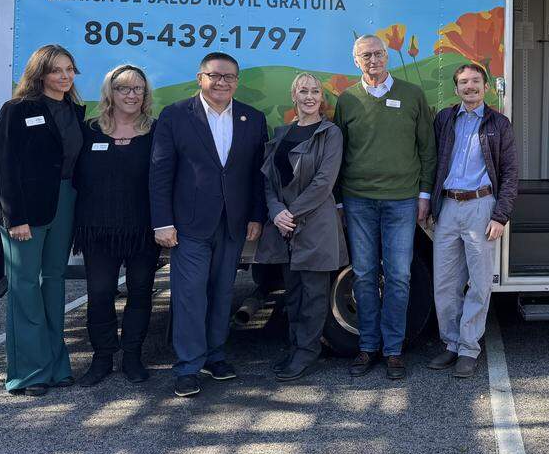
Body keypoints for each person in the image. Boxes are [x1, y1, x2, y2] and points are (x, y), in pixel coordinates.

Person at [150, 52, 267, 398]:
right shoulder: (174, 116)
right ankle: (187, 366)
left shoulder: (252, 118)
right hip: (187, 226)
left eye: (229, 77)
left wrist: (256, 216)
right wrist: (162, 222)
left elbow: (257, 175)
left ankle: (215, 356)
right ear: (200, 78)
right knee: (189, 295)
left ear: (237, 81)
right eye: (215, 75)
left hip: (232, 224)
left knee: (221, 294)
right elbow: (159, 172)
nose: (222, 82)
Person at [333, 34, 436, 380]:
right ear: (356, 61)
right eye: (366, 56)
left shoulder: (412, 95)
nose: (373, 60)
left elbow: (427, 149)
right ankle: (367, 347)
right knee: (363, 275)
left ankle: (393, 350)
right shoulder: (347, 100)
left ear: (387, 57)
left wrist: (424, 195)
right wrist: (339, 200)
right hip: (358, 200)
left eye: (378, 54)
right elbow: (338, 153)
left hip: (402, 200)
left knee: (399, 275)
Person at [0, 44, 84, 396]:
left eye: (69, 69)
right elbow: (7, 168)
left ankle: (56, 365)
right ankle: (29, 373)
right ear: (40, 73)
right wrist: (16, 217)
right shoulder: (17, 110)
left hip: (65, 201)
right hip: (25, 209)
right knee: (25, 287)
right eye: (56, 70)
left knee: (55, 281)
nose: (64, 76)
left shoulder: (74, 111)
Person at [428, 64, 518, 377]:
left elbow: (509, 173)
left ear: (486, 87)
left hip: (482, 206)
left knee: (479, 283)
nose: (470, 87)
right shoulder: (444, 119)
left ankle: (469, 348)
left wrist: (500, 214)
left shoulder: (499, 123)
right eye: (464, 83)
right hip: (448, 207)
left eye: (475, 81)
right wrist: (430, 204)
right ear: (456, 89)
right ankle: (450, 345)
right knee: (445, 283)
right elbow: (432, 162)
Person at [72, 65, 159, 387]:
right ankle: (103, 357)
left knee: (140, 293)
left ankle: (133, 357)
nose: (131, 94)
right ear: (110, 92)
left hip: (142, 229)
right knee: (99, 293)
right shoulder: (89, 130)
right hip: (97, 228)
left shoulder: (156, 130)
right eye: (123, 88)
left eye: (138, 88)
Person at [256, 73, 346, 382]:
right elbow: (268, 180)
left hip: (314, 224)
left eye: (315, 91)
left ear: (322, 99)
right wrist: (276, 211)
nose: (309, 96)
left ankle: (308, 352)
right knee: (292, 293)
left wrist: (289, 214)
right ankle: (295, 347)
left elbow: (324, 183)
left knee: (314, 294)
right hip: (285, 226)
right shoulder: (282, 134)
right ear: (294, 96)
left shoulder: (330, 134)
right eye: (303, 91)